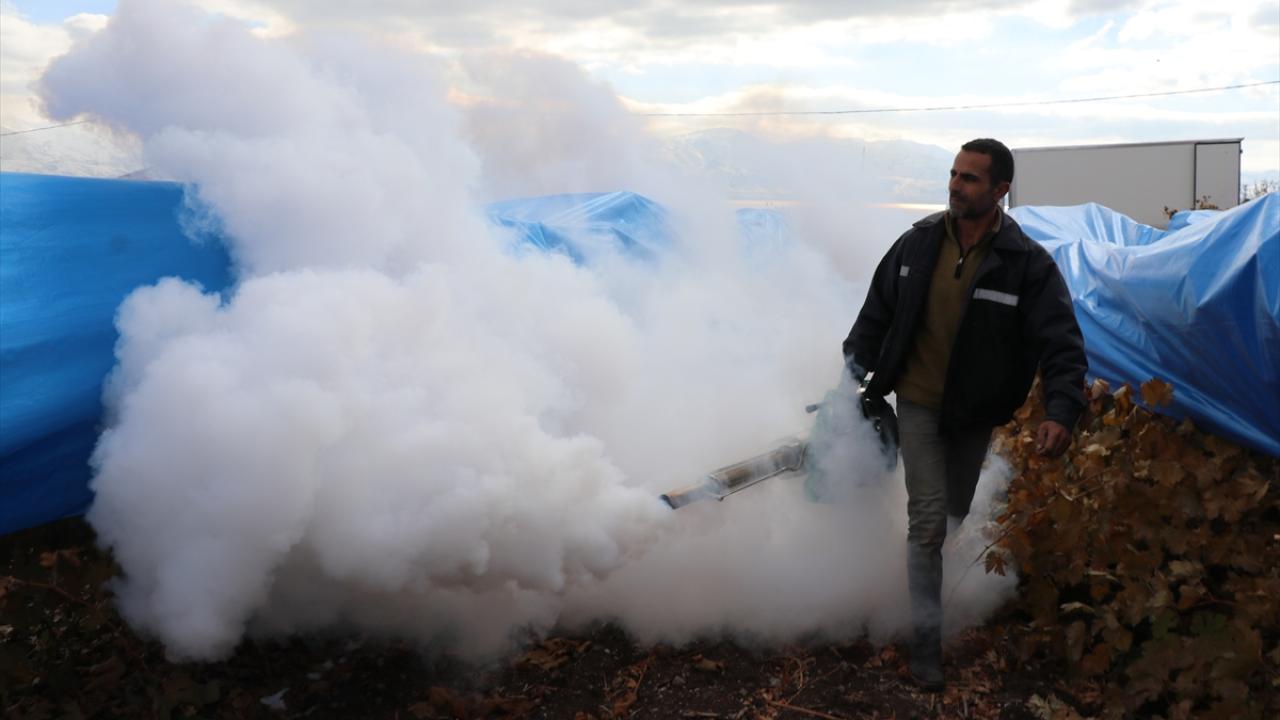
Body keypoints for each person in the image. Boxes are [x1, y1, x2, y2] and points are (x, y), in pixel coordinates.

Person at [842, 138, 1087, 691]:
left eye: (971, 178)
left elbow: (1061, 344)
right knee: (928, 523)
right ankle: (927, 642)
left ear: (1000, 190)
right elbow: (874, 316)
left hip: (976, 413)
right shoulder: (917, 244)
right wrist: (849, 384)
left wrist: (1062, 412)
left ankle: (916, 580)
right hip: (919, 404)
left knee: (950, 515)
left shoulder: (1026, 264)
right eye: (953, 174)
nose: (956, 185)